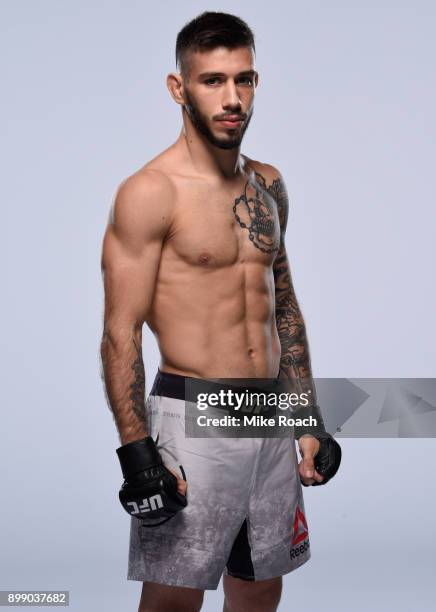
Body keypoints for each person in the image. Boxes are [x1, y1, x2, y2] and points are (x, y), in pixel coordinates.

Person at [100, 11, 341, 612]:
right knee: (176, 597)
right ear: (178, 88)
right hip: (192, 414)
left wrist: (306, 416)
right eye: (212, 81)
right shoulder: (150, 192)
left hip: (265, 411)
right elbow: (119, 333)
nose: (233, 98)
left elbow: (281, 304)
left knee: (260, 586)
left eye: (245, 79)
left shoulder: (268, 184)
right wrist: (136, 453)